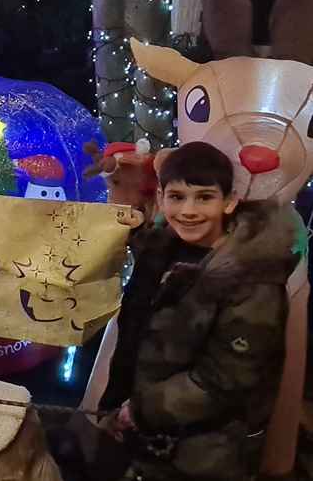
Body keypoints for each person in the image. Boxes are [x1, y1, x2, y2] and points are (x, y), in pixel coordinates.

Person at [101, 142, 299, 480]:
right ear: (162, 197)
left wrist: (142, 410)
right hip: (141, 435)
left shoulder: (254, 278)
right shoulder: (160, 248)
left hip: (203, 454)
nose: (189, 211)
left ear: (229, 201)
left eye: (204, 197)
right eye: (177, 197)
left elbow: (225, 380)